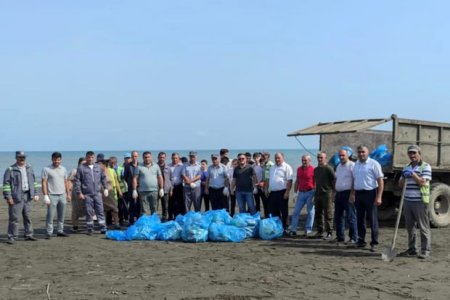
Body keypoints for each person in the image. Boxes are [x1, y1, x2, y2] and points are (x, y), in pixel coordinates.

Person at [399, 145, 432, 259]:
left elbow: (423, 182)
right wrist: (404, 176)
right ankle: (412, 249)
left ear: (419, 153)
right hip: (408, 201)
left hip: (420, 201)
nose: (412, 155)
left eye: (414, 153)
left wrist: (412, 174)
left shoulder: (425, 166)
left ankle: (425, 250)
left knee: (423, 227)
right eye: (410, 153)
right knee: (410, 227)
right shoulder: (406, 167)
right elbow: (400, 184)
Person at [351, 145, 384, 252]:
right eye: (359, 152)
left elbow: (380, 181)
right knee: (360, 219)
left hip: (371, 193)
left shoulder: (374, 164)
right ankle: (361, 241)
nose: (361, 154)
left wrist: (379, 196)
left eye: (363, 152)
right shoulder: (356, 164)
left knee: (372, 219)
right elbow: (354, 180)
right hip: (359, 194)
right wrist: (352, 194)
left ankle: (374, 243)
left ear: (367, 152)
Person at [3, 151, 40, 244]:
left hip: (28, 196)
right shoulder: (10, 169)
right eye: (20, 157)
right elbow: (6, 185)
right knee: (14, 218)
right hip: (16, 197)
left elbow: (34, 182)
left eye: (23, 157)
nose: (22, 159)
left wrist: (35, 193)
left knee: (27, 216)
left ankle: (29, 234)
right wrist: (8, 197)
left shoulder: (29, 168)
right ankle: (12, 237)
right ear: (16, 158)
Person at [73, 151, 109, 235]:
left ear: (94, 158)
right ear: (86, 158)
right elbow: (77, 181)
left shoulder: (98, 167)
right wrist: (79, 193)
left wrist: (105, 188)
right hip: (87, 194)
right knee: (89, 212)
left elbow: (103, 178)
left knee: (100, 211)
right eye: (89, 157)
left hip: (97, 193)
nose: (90, 159)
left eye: (92, 157)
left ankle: (103, 228)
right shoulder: (81, 168)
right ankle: (90, 228)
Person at [42, 152, 71, 239]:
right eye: (55, 159)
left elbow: (66, 182)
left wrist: (68, 194)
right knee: (50, 215)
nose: (56, 161)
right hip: (52, 195)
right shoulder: (46, 169)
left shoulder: (63, 169)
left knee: (61, 214)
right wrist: (45, 195)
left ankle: (60, 231)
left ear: (60, 160)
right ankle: (49, 232)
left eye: (58, 159)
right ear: (52, 159)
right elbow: (44, 182)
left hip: (62, 194)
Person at [333, 149, 357, 244]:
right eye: (340, 155)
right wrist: (334, 192)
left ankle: (353, 237)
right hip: (339, 193)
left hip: (348, 193)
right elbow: (337, 180)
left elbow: (355, 180)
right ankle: (340, 237)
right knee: (338, 217)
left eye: (343, 155)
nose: (341, 157)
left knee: (351, 217)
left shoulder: (352, 165)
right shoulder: (339, 166)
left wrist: (352, 193)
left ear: (348, 155)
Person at [289, 154, 315, 237]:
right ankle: (293, 230)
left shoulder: (313, 169)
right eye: (302, 160)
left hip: (310, 192)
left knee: (310, 212)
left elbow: (316, 183)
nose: (304, 162)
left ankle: (308, 230)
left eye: (305, 160)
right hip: (301, 193)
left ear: (309, 161)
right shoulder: (299, 169)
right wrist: (295, 193)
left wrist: (315, 194)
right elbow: (297, 181)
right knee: (296, 212)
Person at [267, 152, 293, 231]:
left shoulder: (287, 167)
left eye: (279, 158)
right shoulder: (272, 167)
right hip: (273, 192)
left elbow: (290, 180)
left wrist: (287, 192)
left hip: (282, 192)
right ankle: (277, 227)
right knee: (274, 211)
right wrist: (267, 189)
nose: (277, 159)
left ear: (283, 158)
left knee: (284, 211)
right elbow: (269, 179)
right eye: (276, 158)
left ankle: (285, 227)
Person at [132, 151, 164, 216]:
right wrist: (134, 190)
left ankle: (154, 223)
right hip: (143, 191)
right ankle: (146, 224)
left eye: (148, 157)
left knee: (154, 209)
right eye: (145, 157)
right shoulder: (139, 167)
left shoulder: (156, 166)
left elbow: (160, 177)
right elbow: (135, 178)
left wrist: (161, 188)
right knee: (144, 210)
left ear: (151, 157)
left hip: (154, 191)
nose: (147, 159)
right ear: (143, 158)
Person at [313, 151, 336, 240]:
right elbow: (316, 182)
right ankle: (320, 231)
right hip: (318, 194)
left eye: (321, 158)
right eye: (318, 157)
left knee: (328, 213)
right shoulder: (316, 169)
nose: (319, 159)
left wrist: (334, 192)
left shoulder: (329, 168)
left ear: (325, 158)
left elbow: (334, 181)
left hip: (327, 194)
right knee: (318, 213)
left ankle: (329, 232)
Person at [68, 157, 86, 232]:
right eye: (82, 163)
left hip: (85, 192)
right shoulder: (74, 171)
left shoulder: (88, 170)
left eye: (85, 163)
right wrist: (68, 192)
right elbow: (69, 181)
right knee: (75, 209)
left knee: (88, 208)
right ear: (79, 164)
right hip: (76, 193)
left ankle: (88, 225)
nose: (84, 165)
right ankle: (75, 226)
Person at [123, 151, 140, 225]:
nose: (134, 158)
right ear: (131, 157)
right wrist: (131, 184)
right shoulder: (127, 166)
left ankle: (139, 219)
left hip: (140, 187)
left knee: (139, 204)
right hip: (131, 188)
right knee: (132, 204)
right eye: (133, 156)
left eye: (136, 156)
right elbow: (125, 177)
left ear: (138, 156)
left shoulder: (141, 165)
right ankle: (131, 220)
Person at [157, 152, 173, 221]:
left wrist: (171, 189)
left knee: (165, 205)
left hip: (166, 189)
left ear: (165, 158)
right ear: (158, 157)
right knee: (155, 205)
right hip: (156, 188)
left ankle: (164, 218)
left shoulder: (168, 168)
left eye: (163, 157)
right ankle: (155, 218)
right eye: (160, 157)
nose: (162, 159)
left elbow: (171, 179)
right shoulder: (155, 166)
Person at [168, 152, 184, 219]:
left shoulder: (182, 166)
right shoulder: (168, 166)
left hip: (179, 186)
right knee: (171, 203)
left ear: (178, 158)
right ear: (171, 158)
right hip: (171, 186)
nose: (175, 159)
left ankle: (179, 217)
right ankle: (171, 217)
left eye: (176, 158)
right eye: (173, 158)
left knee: (180, 202)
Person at [117, 153, 130, 226]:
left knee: (131, 205)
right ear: (124, 159)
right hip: (123, 190)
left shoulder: (132, 166)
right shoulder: (120, 168)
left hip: (131, 189)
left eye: (129, 158)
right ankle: (123, 219)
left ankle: (128, 217)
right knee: (122, 205)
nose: (128, 159)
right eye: (126, 158)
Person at [253, 152, 267, 217]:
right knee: (257, 202)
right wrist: (254, 186)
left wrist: (263, 182)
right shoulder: (253, 166)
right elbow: (252, 177)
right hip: (256, 186)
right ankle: (258, 216)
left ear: (260, 158)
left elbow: (266, 176)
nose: (256, 159)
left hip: (263, 186)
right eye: (255, 158)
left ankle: (266, 216)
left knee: (265, 202)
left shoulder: (263, 165)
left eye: (257, 157)